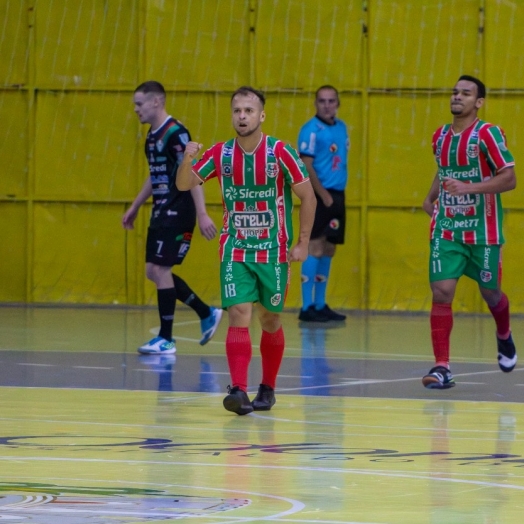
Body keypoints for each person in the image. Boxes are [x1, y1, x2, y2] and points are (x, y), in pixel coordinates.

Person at [176, 86, 317, 415]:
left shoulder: (280, 152)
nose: (242, 116)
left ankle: (267, 387)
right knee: (239, 314)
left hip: (274, 250)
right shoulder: (220, 154)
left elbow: (307, 197)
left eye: (249, 111)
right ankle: (238, 391)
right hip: (236, 248)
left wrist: (303, 243)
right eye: (237, 111)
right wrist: (187, 158)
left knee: (270, 319)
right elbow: (184, 184)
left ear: (261, 116)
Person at [422, 75, 517, 389]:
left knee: (491, 293)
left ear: (479, 102)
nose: (457, 97)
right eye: (454, 92)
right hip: (447, 228)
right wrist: (430, 197)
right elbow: (444, 169)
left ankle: (504, 334)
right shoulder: (440, 137)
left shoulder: (488, 135)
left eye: (465, 93)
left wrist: (470, 187)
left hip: (484, 232)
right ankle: (442, 366)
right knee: (442, 292)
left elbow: (509, 178)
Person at [123, 81, 223, 355]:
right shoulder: (151, 136)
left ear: (156, 102)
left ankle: (166, 339)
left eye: (139, 104)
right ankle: (206, 312)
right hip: (160, 208)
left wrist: (202, 214)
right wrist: (135, 206)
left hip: (179, 210)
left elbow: (192, 173)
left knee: (160, 270)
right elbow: (156, 175)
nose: (136, 109)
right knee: (153, 271)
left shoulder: (176, 133)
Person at [297, 85, 349, 322]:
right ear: (315, 104)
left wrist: (334, 196)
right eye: (322, 101)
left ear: (337, 104)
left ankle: (320, 304)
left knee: (329, 248)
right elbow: (306, 165)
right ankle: (307, 306)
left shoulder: (341, 128)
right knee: (315, 247)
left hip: (337, 195)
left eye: (331, 101)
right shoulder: (310, 130)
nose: (327, 105)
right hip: (320, 195)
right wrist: (322, 194)